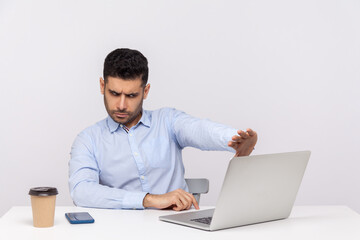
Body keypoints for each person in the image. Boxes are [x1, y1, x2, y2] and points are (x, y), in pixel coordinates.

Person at [69, 48, 257, 211]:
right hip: (122, 230)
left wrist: (234, 139)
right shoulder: (88, 139)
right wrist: (150, 200)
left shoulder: (168, 121)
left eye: (132, 95)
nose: (121, 105)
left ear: (146, 91)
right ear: (102, 86)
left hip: (176, 228)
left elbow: (199, 129)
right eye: (114, 93)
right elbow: (82, 191)